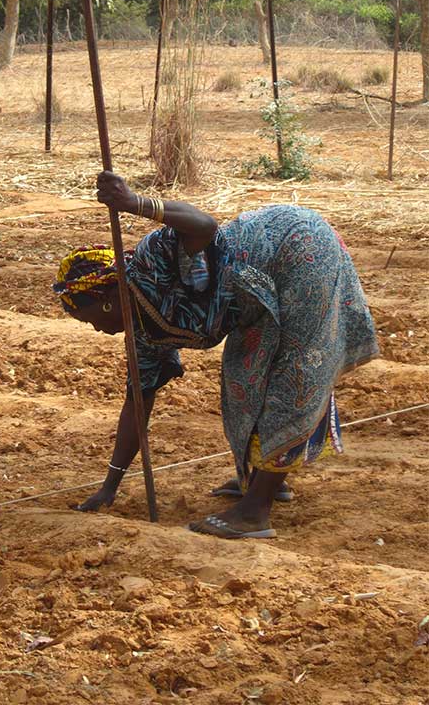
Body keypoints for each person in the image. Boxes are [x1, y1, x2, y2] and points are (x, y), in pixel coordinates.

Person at [53, 171, 379, 539]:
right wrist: (110, 485)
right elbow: (137, 404)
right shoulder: (144, 336)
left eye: (87, 317)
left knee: (295, 377)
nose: (92, 328)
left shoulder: (150, 263)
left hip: (297, 251)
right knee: (245, 381)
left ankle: (256, 510)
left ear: (105, 299)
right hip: (257, 302)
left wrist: (133, 203)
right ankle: (266, 478)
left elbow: (204, 227)